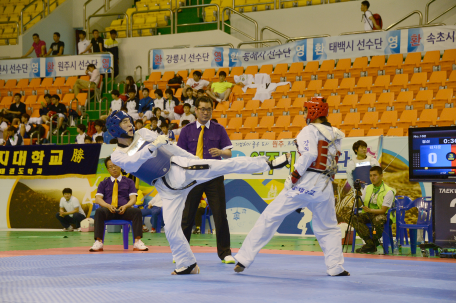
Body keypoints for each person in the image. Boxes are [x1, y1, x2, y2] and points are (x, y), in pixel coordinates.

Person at [105, 110, 289, 274]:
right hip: (167, 190)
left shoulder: (143, 133)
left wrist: (191, 159)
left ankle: (268, 163)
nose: (129, 124)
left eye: (129, 120)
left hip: (180, 169)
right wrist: (153, 146)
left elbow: (170, 147)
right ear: (115, 128)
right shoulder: (117, 155)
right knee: (171, 229)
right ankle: (187, 264)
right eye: (124, 122)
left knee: (223, 165)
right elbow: (133, 163)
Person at [233, 97, 350, 277]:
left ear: (312, 112)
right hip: (325, 184)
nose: (304, 114)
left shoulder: (309, 130)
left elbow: (310, 154)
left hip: (306, 180)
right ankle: (335, 267)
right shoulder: (336, 134)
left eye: (305, 111)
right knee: (328, 227)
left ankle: (244, 259)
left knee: (270, 217)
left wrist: (293, 178)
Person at [177, 96, 236, 264]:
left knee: (220, 215)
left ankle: (225, 253)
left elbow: (229, 153)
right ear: (196, 110)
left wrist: (220, 153)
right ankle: (181, 253)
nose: (205, 112)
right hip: (193, 178)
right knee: (187, 216)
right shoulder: (187, 130)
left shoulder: (219, 129)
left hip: (214, 176)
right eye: (202, 109)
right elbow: (179, 155)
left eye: (208, 109)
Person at [89, 157, 148, 252]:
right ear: (108, 169)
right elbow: (98, 199)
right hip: (109, 210)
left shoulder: (129, 182)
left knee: (136, 211)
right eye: (110, 167)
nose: (113, 168)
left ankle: (137, 242)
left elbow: (133, 198)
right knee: (99, 211)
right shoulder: (103, 183)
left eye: (115, 165)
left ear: (120, 166)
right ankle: (98, 242)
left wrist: (126, 206)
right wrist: (107, 206)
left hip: (124, 210)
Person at [340, 166, 395, 254]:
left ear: (381, 176)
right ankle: (370, 243)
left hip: (382, 215)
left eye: (375, 175)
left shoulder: (388, 191)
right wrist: (357, 196)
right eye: (371, 176)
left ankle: (372, 243)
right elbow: (359, 204)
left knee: (378, 219)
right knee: (354, 217)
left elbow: (383, 210)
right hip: (369, 214)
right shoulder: (367, 188)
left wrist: (370, 210)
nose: (372, 178)